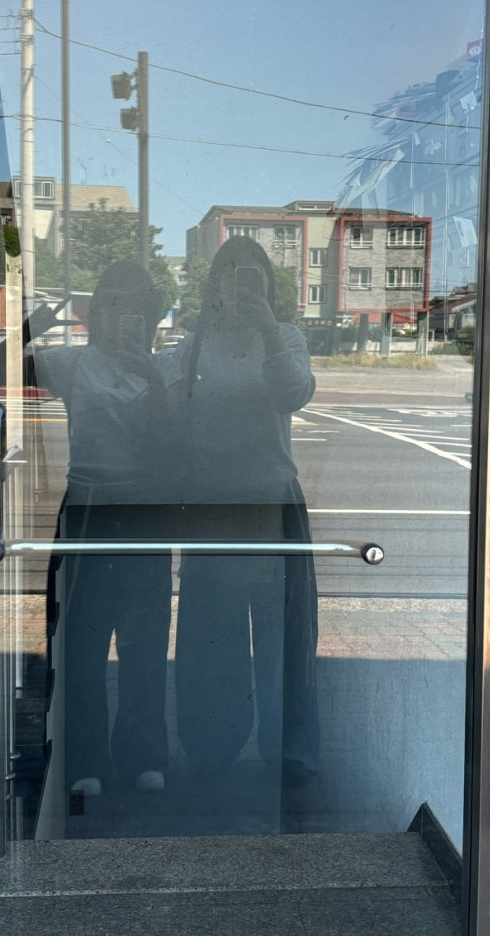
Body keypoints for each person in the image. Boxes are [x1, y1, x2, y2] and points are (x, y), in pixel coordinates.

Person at [0, 260, 173, 796]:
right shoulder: (73, 363)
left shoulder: (168, 367)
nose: (123, 317)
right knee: (80, 642)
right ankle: (85, 758)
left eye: (136, 308)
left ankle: (142, 755)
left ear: (151, 316)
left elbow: (174, 441)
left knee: (145, 642)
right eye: (112, 305)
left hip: (145, 510)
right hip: (87, 505)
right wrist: (36, 322)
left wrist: (154, 379)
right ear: (96, 313)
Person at [162, 236, 319, 786]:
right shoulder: (193, 345)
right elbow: (168, 415)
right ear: (215, 285)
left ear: (270, 284)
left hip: (274, 499)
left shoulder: (287, 337)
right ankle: (211, 749)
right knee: (211, 636)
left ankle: (288, 752)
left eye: (254, 272)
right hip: (211, 502)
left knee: (283, 634)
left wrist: (269, 329)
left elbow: (293, 394)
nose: (242, 280)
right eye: (231, 270)